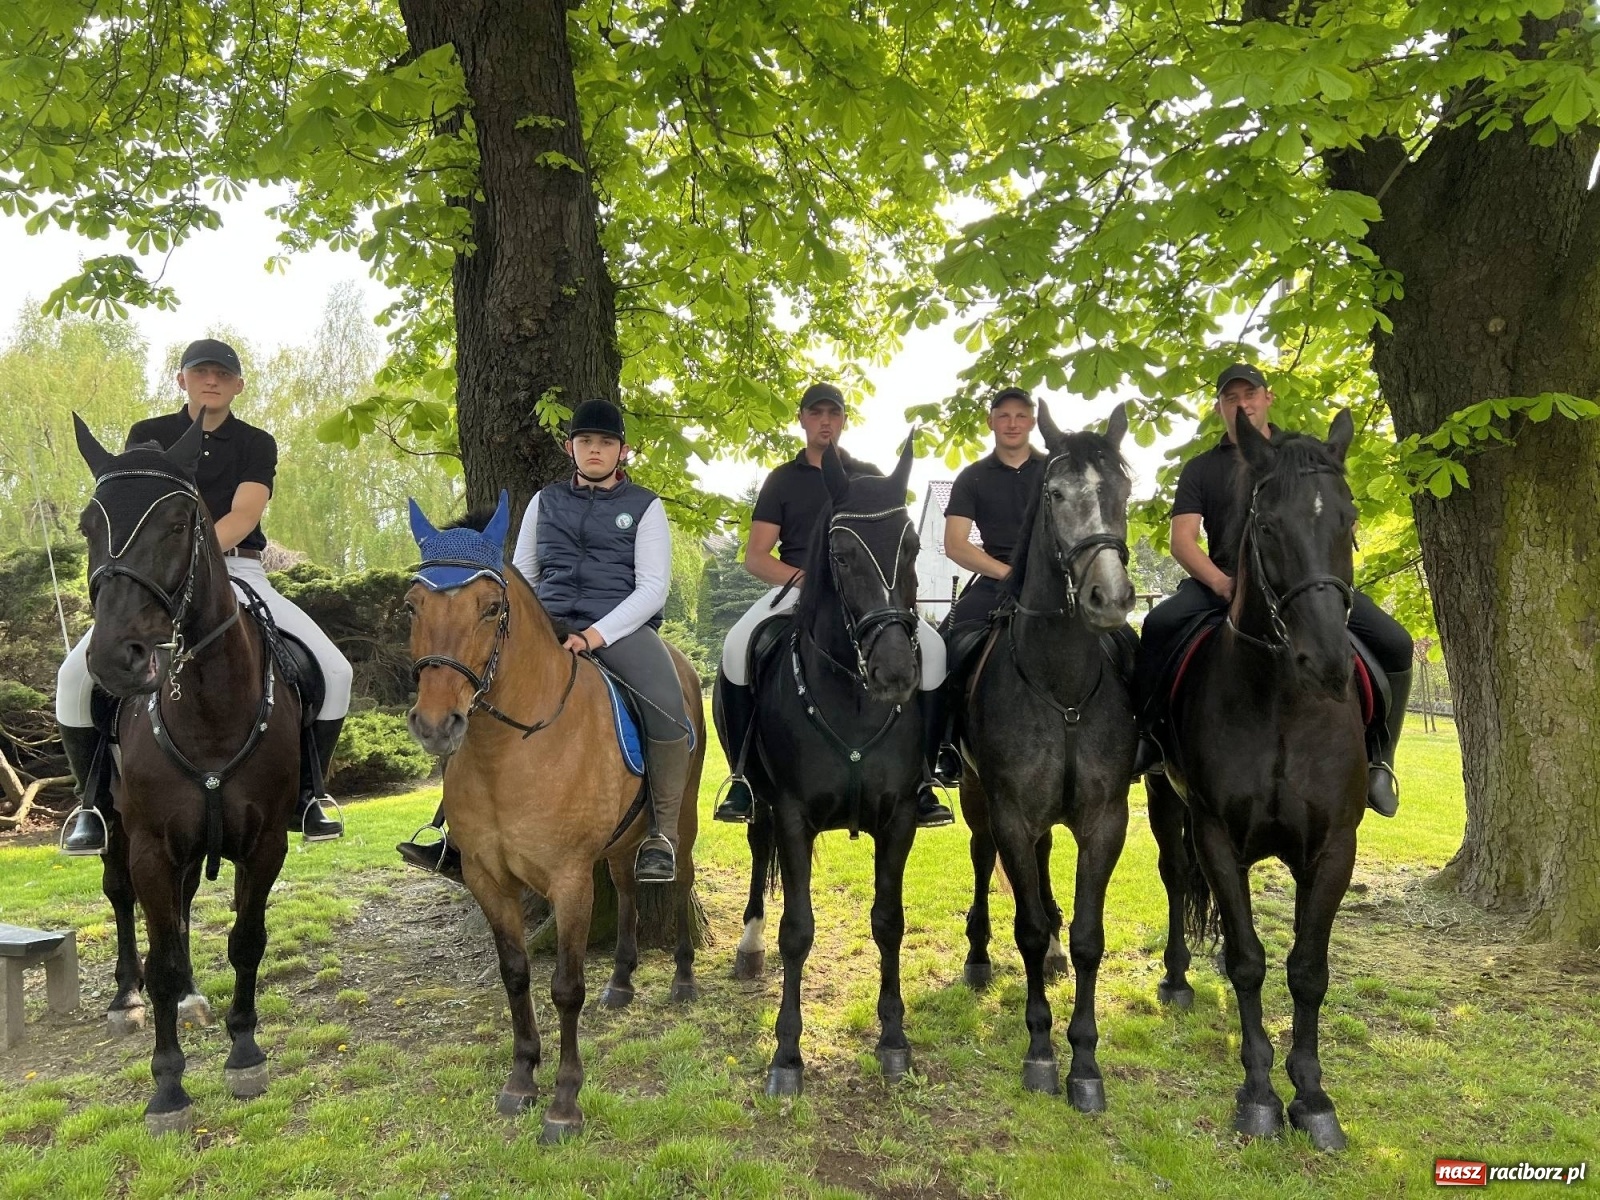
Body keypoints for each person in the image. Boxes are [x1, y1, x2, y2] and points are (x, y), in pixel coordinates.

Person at [57, 338, 351, 854]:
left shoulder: (255, 443)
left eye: (221, 373)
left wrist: (200, 558)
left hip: (237, 568)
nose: (210, 380)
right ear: (182, 380)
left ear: (237, 385)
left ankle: (309, 795)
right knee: (73, 677)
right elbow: (133, 509)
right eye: (200, 372)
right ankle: (95, 805)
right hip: (155, 577)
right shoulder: (148, 435)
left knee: (336, 670)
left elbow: (244, 513)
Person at [1131, 363, 1413, 816]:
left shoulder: (1306, 457)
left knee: (1396, 644)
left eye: (1249, 394)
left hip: (1303, 585)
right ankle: (1151, 738)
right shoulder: (1201, 468)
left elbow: (1336, 521)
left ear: (1268, 397)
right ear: (1220, 407)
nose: (1241, 404)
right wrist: (1222, 582)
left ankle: (1380, 759)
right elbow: (1182, 540)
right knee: (1159, 623)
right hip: (1221, 583)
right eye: (1230, 398)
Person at [713, 382, 953, 827]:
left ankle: (925, 777)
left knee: (936, 651)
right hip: (797, 587)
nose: (825, 421)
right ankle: (742, 778)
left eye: (834, 414)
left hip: (866, 595)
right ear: (803, 419)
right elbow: (756, 556)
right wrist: (808, 580)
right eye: (816, 413)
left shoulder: (871, 475)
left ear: (843, 421)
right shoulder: (782, 480)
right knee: (735, 646)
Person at [931, 386, 1046, 780]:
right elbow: (955, 544)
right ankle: (944, 747)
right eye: (1003, 415)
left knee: (1119, 641)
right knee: (940, 648)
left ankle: (1137, 736)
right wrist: (1009, 574)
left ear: (1032, 421)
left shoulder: (1055, 470)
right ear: (991, 422)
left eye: (1020, 415)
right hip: (996, 582)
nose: (1012, 423)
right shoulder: (972, 477)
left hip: (1056, 584)